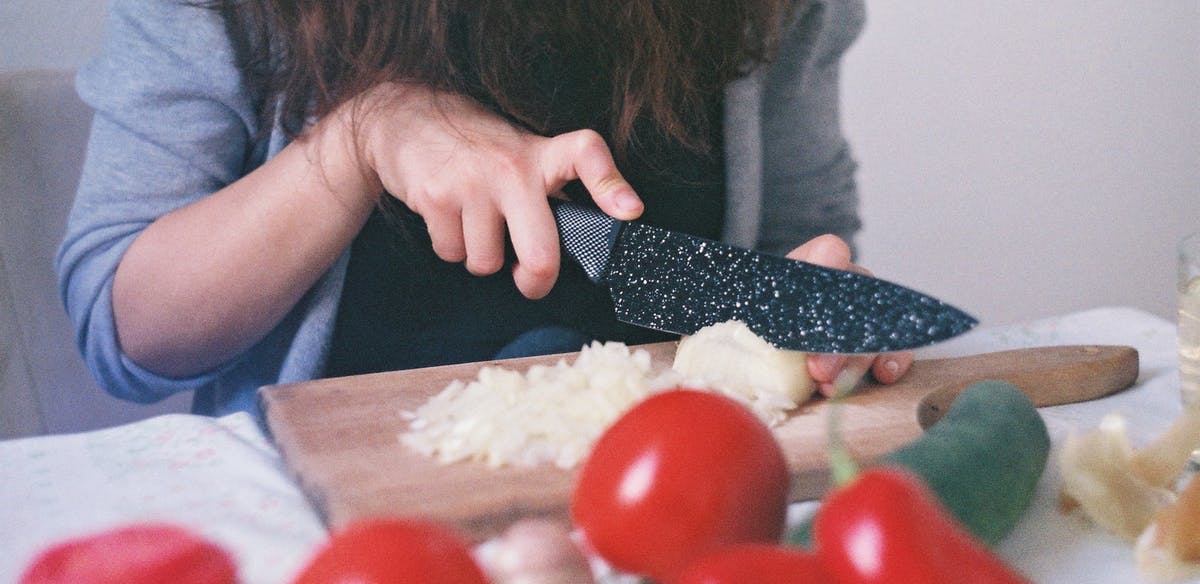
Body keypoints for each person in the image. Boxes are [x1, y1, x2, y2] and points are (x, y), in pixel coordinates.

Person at [57, 0, 913, 421]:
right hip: (336, 549)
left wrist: (805, 305)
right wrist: (357, 141)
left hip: (665, 515)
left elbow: (797, 232)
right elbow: (123, 329)